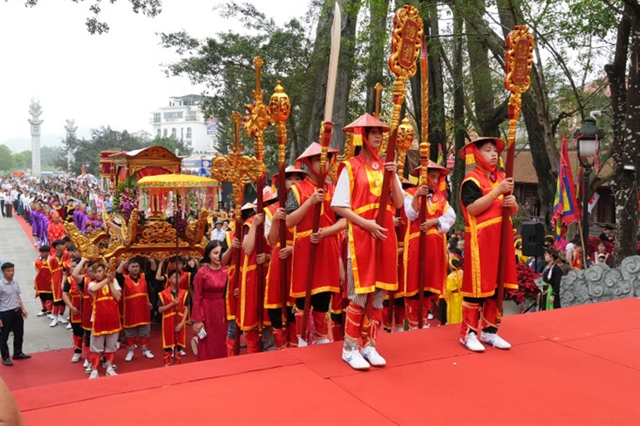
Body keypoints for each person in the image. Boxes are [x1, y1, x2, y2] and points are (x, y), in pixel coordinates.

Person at [331, 113, 404, 370]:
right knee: (359, 294)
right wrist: (366, 224)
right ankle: (350, 347)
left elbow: (398, 203)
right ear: (363, 135)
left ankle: (369, 344)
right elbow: (339, 206)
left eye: (380, 133)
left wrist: (393, 175)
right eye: (373, 132)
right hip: (361, 236)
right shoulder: (350, 166)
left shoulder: (386, 165)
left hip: (384, 234)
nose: (378, 137)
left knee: (379, 294)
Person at [458, 137, 518, 352]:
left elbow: (511, 210)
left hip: (501, 239)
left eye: (495, 150)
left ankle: (490, 330)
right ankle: (468, 333)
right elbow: (473, 209)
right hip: (480, 242)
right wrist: (497, 191)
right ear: (476, 154)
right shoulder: (471, 180)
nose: (493, 154)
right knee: (476, 287)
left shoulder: (502, 177)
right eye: (487, 150)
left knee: (496, 286)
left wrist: (513, 204)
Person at [286, 143, 344, 347]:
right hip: (305, 247)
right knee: (303, 296)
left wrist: (325, 233)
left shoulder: (335, 190)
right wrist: (310, 202)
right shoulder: (297, 189)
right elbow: (289, 221)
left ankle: (321, 337)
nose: (323, 163)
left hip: (327, 246)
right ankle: (302, 338)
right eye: (319, 159)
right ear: (309, 163)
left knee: (323, 296)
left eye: (326, 159)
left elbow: (344, 221)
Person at [403, 161, 456, 330]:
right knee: (414, 284)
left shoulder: (440, 198)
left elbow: (451, 217)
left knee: (429, 285)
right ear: (422, 177)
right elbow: (411, 214)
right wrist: (417, 196)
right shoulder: (410, 193)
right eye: (431, 176)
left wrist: (434, 221)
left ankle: (424, 320)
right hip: (416, 246)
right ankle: (413, 323)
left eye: (436, 177)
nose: (434, 180)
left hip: (435, 249)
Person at [264, 166, 305, 349]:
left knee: (297, 307)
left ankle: (297, 348)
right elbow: (272, 241)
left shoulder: (307, 205)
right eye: (290, 179)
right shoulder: (272, 209)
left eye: (298, 178)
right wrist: (274, 221)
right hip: (279, 261)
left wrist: (294, 248)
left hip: (299, 260)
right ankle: (281, 350)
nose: (294, 182)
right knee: (276, 306)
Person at [191, 240, 228, 360]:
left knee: (225, 341)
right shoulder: (201, 273)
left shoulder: (228, 270)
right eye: (215, 253)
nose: (218, 256)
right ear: (208, 254)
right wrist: (198, 320)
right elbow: (197, 298)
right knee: (208, 343)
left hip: (225, 312)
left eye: (221, 252)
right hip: (208, 312)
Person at [87, 262, 122, 379]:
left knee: (111, 345)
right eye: (95, 272)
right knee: (96, 346)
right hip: (98, 319)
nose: (97, 274)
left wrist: (110, 282)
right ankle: (94, 369)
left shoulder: (114, 282)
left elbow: (118, 297)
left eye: (100, 271)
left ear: (105, 271)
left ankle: (109, 368)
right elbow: (93, 289)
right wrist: (107, 279)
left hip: (112, 318)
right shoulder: (92, 283)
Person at [116, 259, 154, 362]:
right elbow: (117, 274)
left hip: (143, 309)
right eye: (132, 266)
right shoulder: (124, 279)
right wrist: (122, 263)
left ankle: (145, 350)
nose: (135, 268)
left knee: (145, 331)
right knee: (130, 333)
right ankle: (130, 351)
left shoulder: (144, 276)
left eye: (137, 266)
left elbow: (152, 272)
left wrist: (152, 261)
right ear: (128, 268)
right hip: (130, 310)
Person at [0, 262, 31, 366]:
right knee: (4, 336)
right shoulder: (1, 285)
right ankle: (5, 357)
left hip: (17, 311)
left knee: (19, 333)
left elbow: (18, 296)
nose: (11, 273)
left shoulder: (15, 282)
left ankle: (17, 353)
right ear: (3, 272)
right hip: (5, 313)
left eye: (13, 270)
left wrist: (23, 309)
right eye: (8, 271)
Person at [158, 269, 190, 366]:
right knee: (167, 345)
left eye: (179, 277)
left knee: (178, 345)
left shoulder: (184, 293)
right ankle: (167, 366)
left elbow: (186, 309)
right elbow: (160, 310)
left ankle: (177, 366)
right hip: (168, 322)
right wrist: (172, 304)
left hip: (179, 321)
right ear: (169, 279)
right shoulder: (163, 294)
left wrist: (182, 323)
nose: (177, 279)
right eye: (175, 277)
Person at [62, 258, 85, 363]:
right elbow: (64, 294)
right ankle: (77, 351)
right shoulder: (69, 280)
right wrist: (71, 307)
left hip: (88, 311)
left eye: (75, 266)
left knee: (88, 334)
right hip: (75, 311)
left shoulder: (87, 279)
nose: (72, 269)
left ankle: (91, 355)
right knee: (77, 332)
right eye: (72, 267)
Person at [445, 252, 463, 325]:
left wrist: (446, 296)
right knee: (460, 311)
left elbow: (449, 289)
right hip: (461, 295)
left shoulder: (451, 277)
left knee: (454, 312)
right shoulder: (462, 272)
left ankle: (453, 324)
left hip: (454, 296)